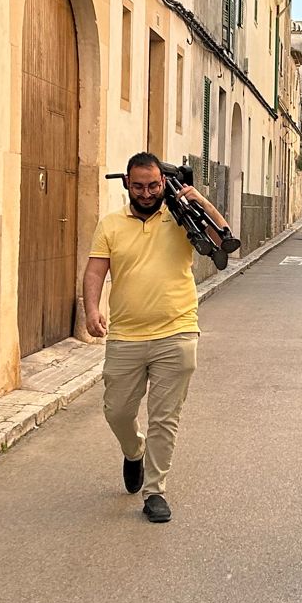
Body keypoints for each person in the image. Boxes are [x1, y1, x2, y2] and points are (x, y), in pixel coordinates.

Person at [83, 154, 225, 523]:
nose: (146, 193)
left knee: (165, 418)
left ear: (163, 182)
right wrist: (92, 309)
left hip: (176, 331)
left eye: (153, 185)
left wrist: (200, 201)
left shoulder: (182, 220)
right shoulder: (111, 224)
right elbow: (96, 270)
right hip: (126, 335)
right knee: (117, 411)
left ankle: (155, 490)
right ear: (127, 184)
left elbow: (223, 241)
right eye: (138, 186)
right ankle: (134, 452)